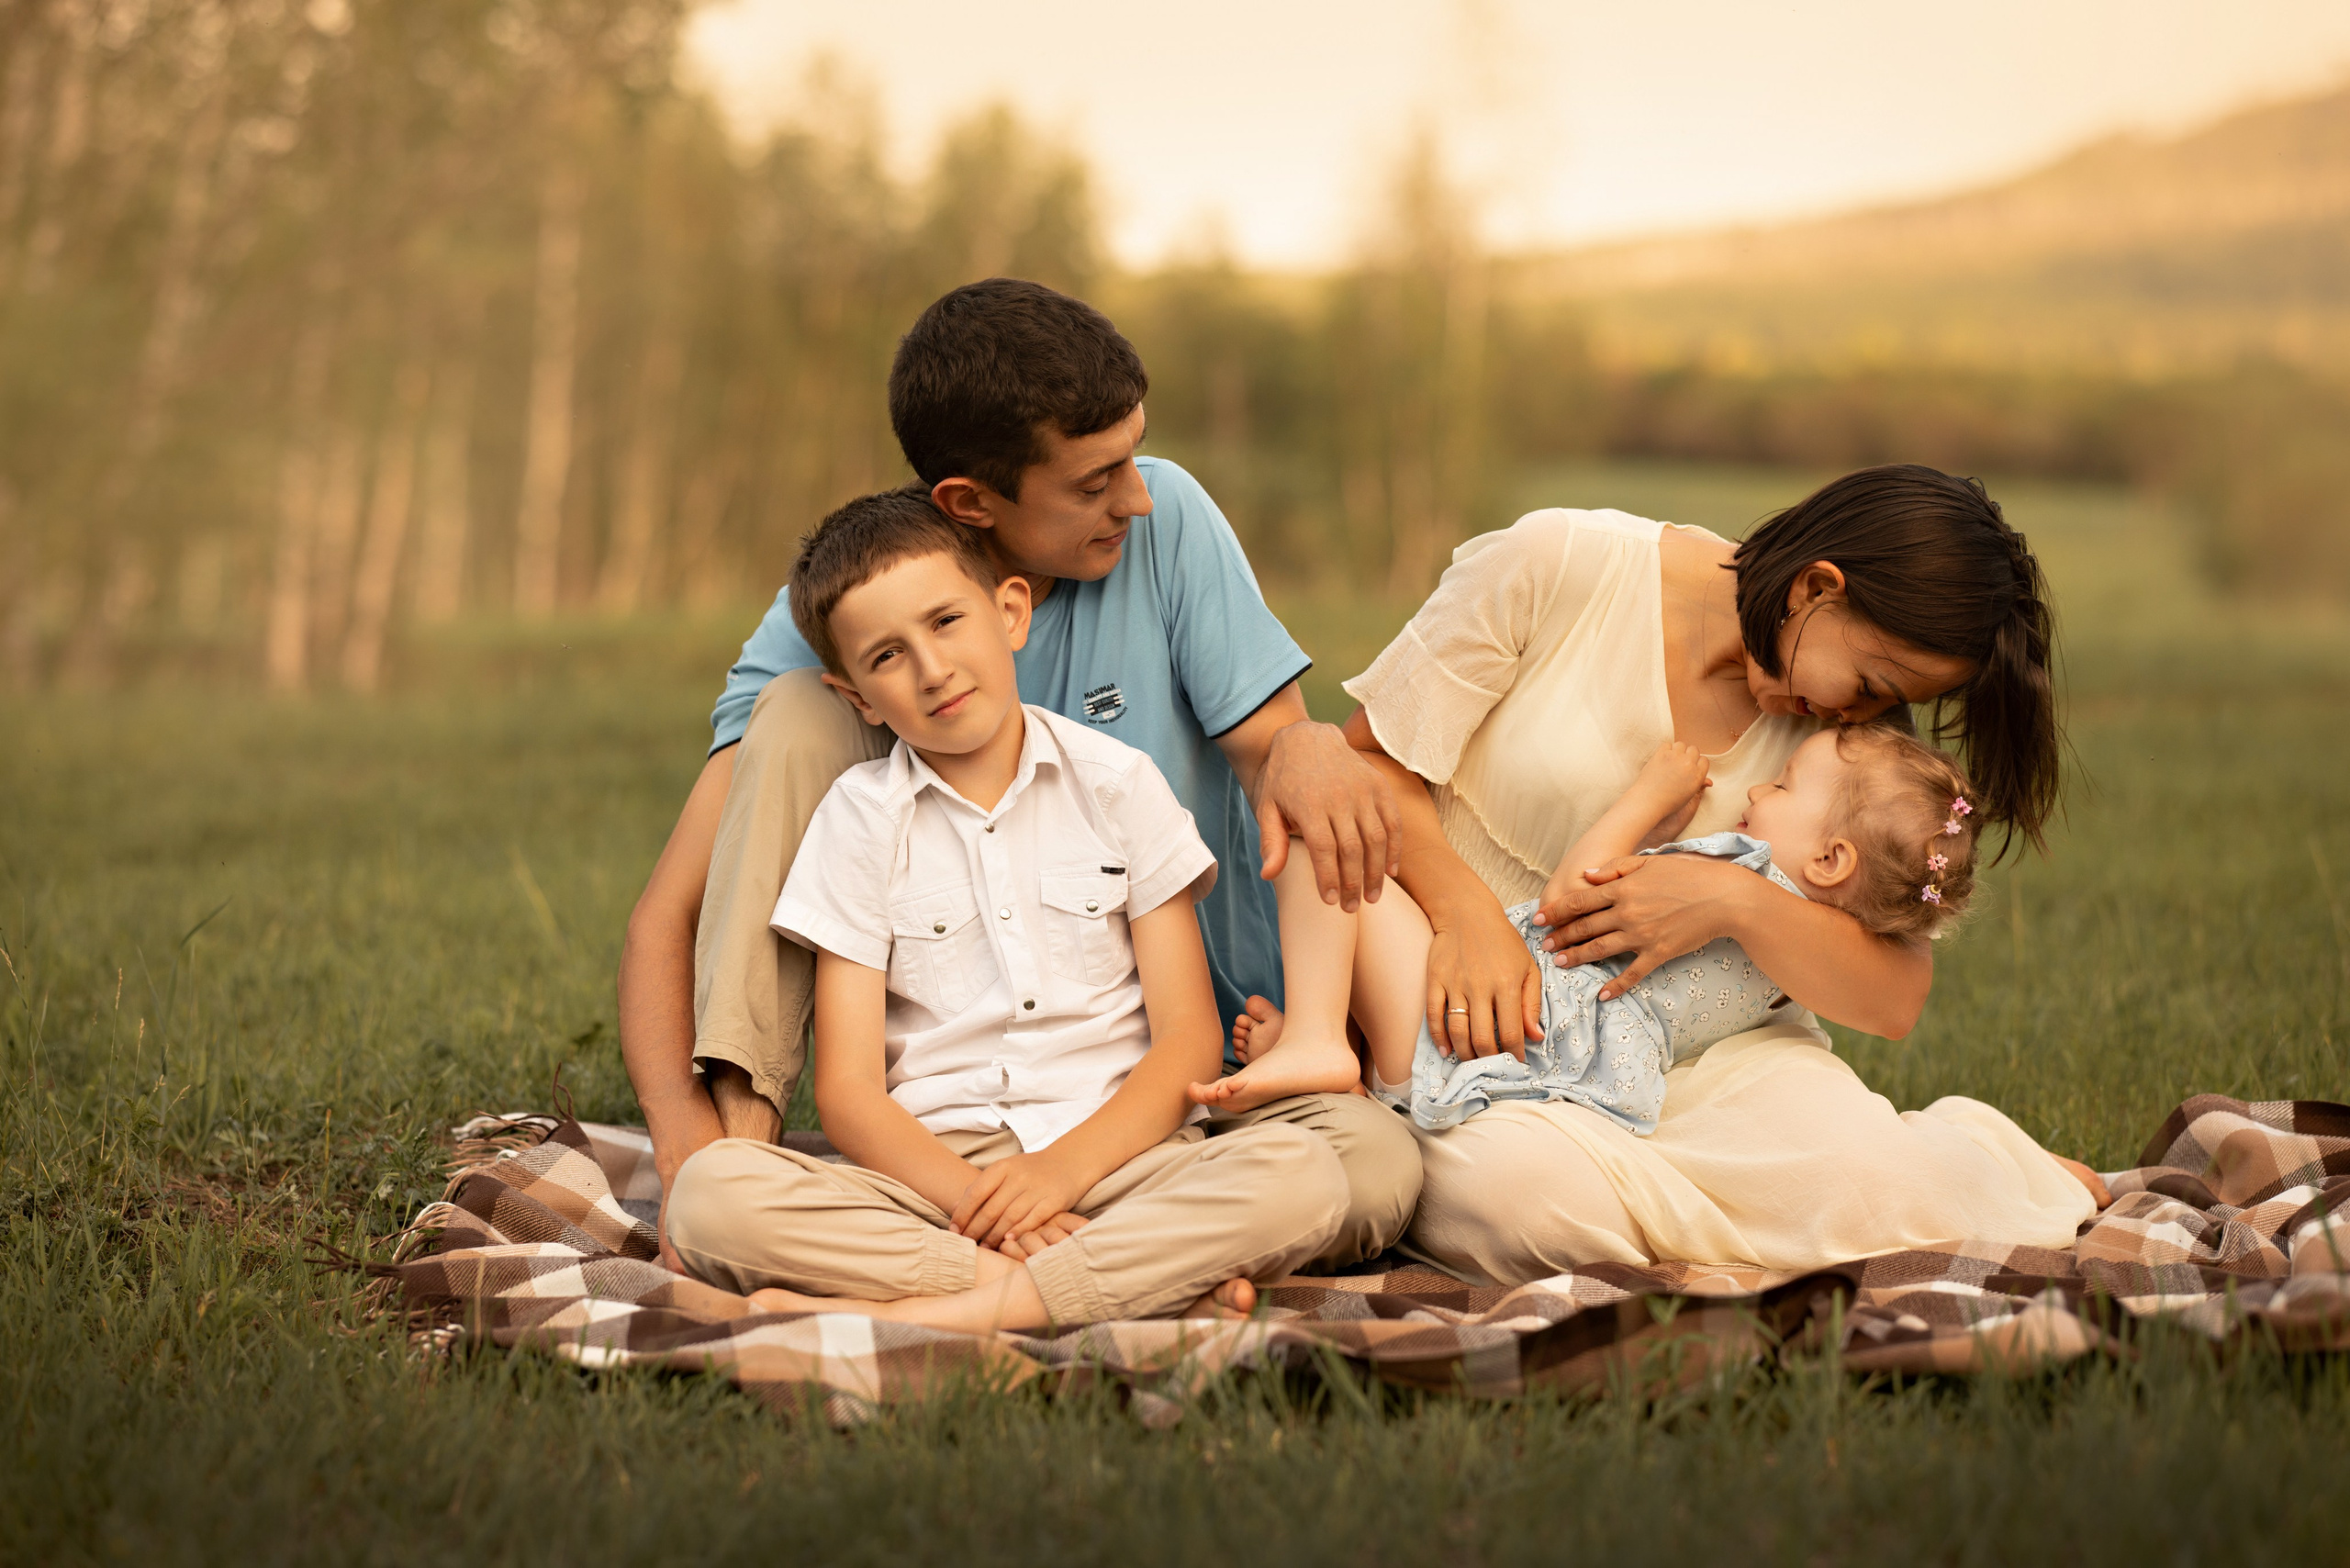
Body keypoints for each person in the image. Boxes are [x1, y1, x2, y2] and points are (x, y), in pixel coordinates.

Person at [619, 278, 1419, 1276]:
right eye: (1092, 483)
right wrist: (681, 1136)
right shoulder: (851, 603)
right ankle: (1109, 1271)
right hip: (949, 1125)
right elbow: (677, 908)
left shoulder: (1165, 523)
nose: (1135, 497)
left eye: (1131, 456)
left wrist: (1308, 744)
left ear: (1006, 613)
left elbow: (1285, 761)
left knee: (1375, 1169)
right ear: (969, 501)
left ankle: (988, 1288)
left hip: (1192, 1073)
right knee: (788, 718)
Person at [1325, 470, 2099, 1283]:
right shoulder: (1555, 565)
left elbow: (1895, 992)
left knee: (1875, 1183)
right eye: (1871, 685)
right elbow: (1367, 764)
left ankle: (1948, 1165)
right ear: (1817, 589)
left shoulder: (1850, 741)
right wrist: (1465, 915)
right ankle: (1734, 1230)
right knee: (1520, 1197)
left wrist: (1732, 899)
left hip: (1712, 1056)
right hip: (1489, 1025)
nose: (1861, 717)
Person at [664, 491, 1346, 1328]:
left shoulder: (1119, 783)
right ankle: (1107, 1286)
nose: (933, 669)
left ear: (1010, 610)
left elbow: (1187, 1040)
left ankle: (960, 1311)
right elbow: (848, 1092)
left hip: (1121, 1158)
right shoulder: (856, 818)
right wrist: (985, 1200)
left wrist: (1054, 1180)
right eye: (888, 656)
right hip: (939, 1184)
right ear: (860, 700)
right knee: (713, 1196)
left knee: (1303, 1173)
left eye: (947, 622)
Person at [1198, 727, 2105, 1216]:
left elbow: (1568, 897)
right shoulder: (1803, 953)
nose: (1756, 791)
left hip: (1509, 1008)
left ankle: (1320, 1042)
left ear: (1828, 860)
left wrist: (1647, 802)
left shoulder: (1734, 877)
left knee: (1332, 846)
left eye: (1783, 786)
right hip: (1540, 1052)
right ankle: (1335, 1057)